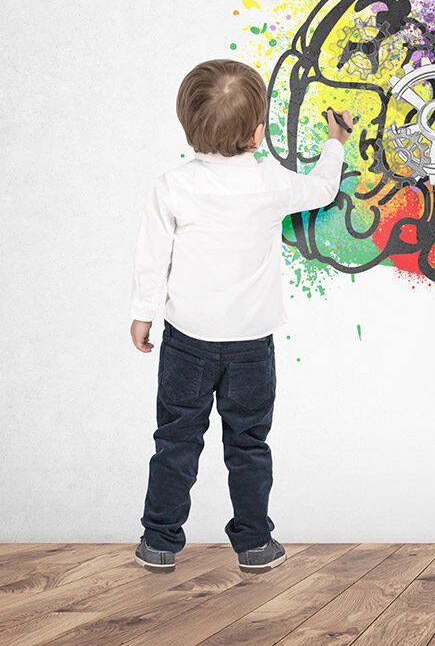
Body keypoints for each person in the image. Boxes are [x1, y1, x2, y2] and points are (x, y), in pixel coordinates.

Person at [129, 58, 353, 573]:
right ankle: (254, 544)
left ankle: (159, 541)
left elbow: (151, 256)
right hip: (252, 346)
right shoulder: (268, 182)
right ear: (257, 135)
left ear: (188, 128)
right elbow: (321, 190)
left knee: (175, 440)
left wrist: (143, 314)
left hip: (186, 341)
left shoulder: (173, 185)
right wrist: (335, 142)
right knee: (248, 444)